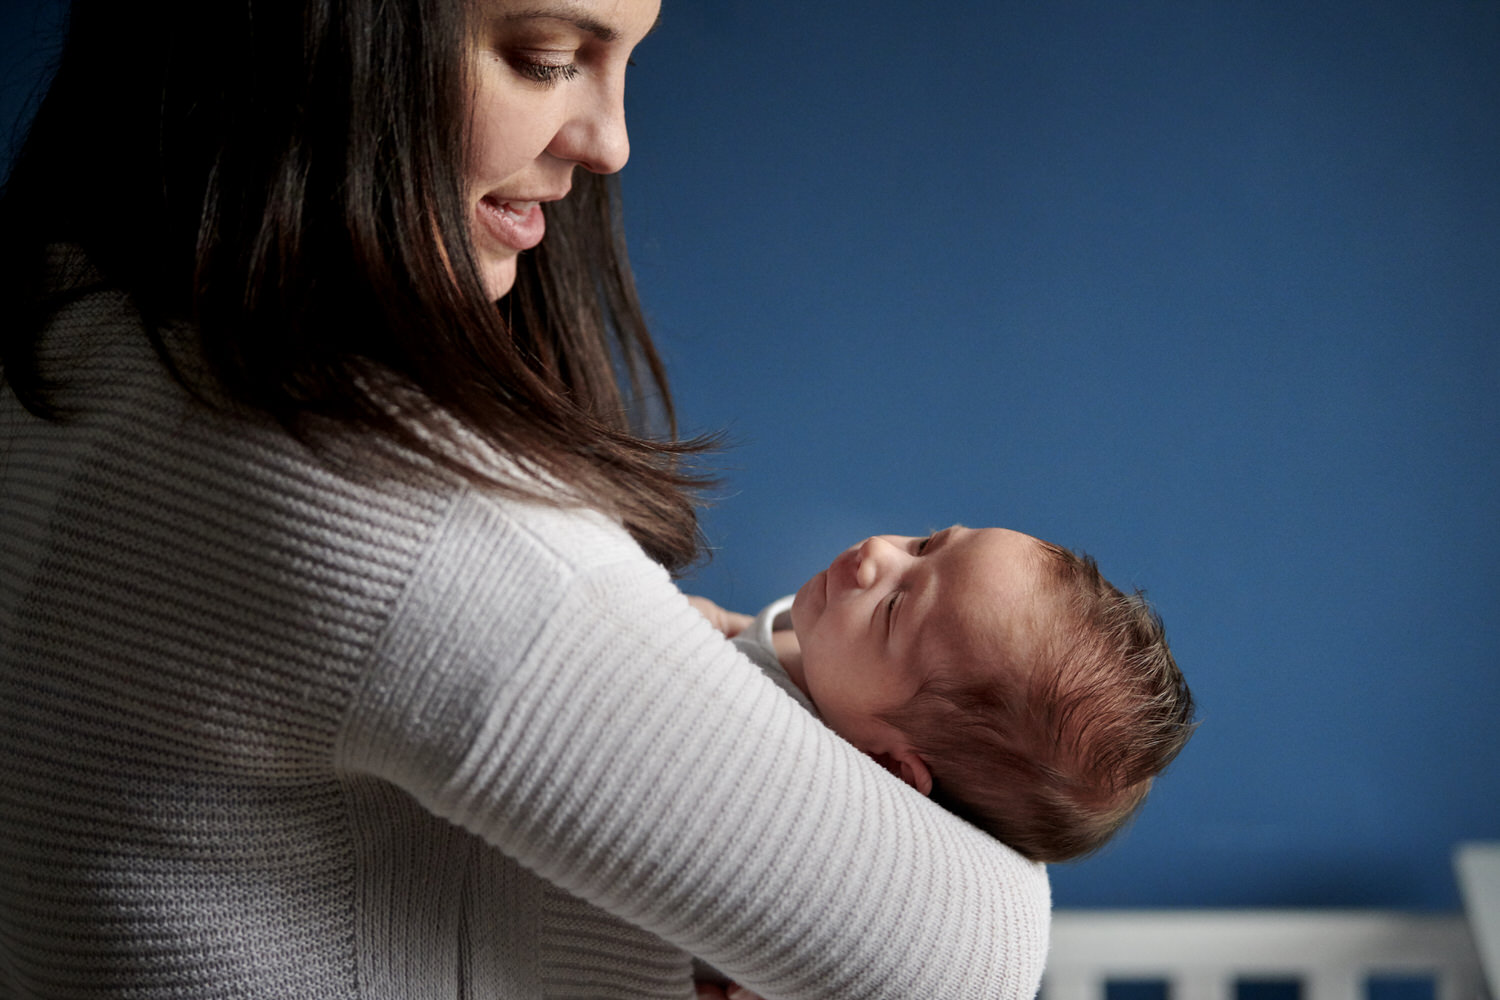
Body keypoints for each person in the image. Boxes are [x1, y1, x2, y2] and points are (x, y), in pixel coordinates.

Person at [0, 1, 1051, 998]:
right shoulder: (380, 496)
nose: (612, 143)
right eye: (550, 57)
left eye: (627, 61)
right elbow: (972, 953)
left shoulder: (71, 329)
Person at [696, 525, 1196, 865]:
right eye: (926, 544)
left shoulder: (787, 769)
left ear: (891, 768)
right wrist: (725, 625)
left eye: (892, 608)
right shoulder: (828, 652)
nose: (877, 550)